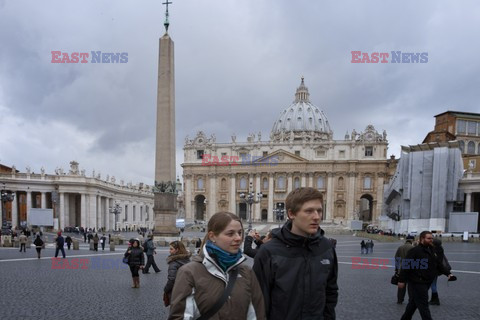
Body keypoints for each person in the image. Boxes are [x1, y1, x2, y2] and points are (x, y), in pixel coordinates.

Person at [253, 187, 338, 320]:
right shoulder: (268, 252)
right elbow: (259, 300)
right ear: (291, 214)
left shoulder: (327, 248)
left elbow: (330, 292)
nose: (316, 217)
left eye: (319, 211)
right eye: (309, 211)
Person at [169, 212, 265, 319]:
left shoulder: (247, 272)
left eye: (240, 232)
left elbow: (257, 315)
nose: (238, 238)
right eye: (230, 233)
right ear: (212, 236)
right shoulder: (189, 273)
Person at [398, 231, 456, 320]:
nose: (431, 240)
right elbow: (406, 266)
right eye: (429, 238)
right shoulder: (415, 251)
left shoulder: (432, 250)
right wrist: (401, 280)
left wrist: (448, 273)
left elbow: (438, 264)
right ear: (422, 239)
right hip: (417, 282)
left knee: (413, 304)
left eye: (432, 238)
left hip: (427, 281)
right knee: (423, 305)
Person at [163, 241, 191, 306]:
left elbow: (172, 279)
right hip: (187, 289)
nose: (169, 251)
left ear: (177, 250)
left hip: (176, 291)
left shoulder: (174, 263)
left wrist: (166, 289)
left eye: (171, 249)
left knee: (175, 311)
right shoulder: (188, 260)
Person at [429, 238, 451, 305]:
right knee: (434, 284)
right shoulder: (440, 249)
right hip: (437, 270)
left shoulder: (434, 250)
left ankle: (435, 299)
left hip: (433, 270)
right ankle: (433, 299)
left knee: (433, 285)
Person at [394, 236, 414, 304]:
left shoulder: (400, 247)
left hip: (401, 269)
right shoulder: (413, 248)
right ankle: (411, 300)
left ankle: (400, 300)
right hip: (411, 270)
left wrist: (396, 269)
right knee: (411, 287)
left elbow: (397, 258)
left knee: (401, 286)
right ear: (412, 241)